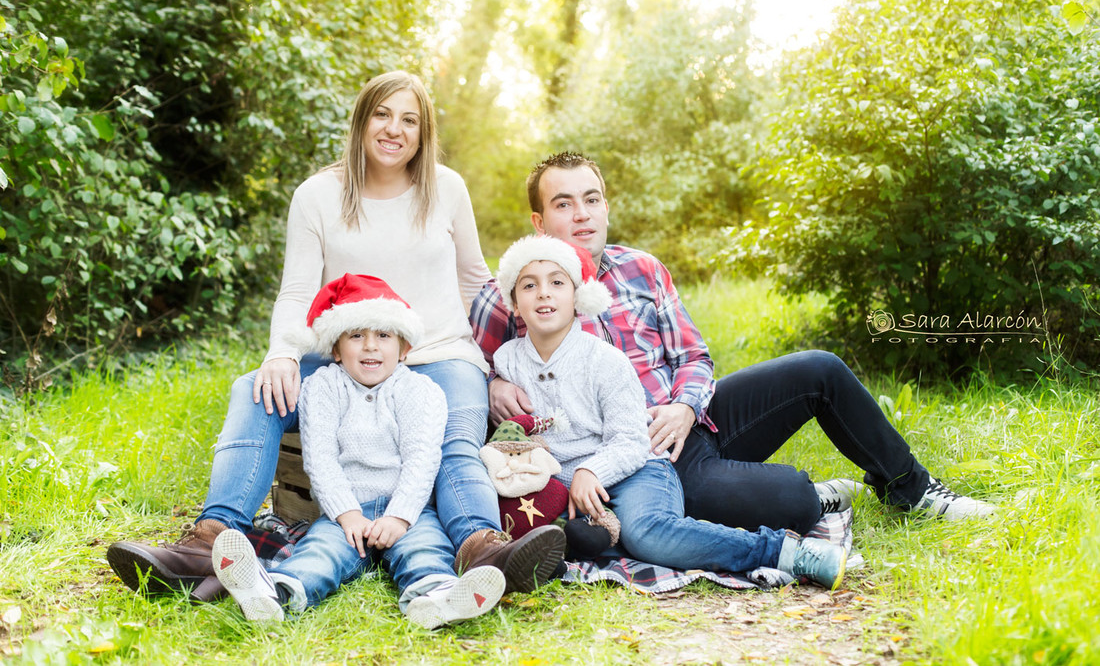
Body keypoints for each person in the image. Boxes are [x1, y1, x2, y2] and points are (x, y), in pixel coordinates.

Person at [107, 72, 564, 603]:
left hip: (439, 353)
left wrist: (495, 365)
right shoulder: (318, 195)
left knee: (455, 437)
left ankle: (482, 548)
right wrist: (281, 353)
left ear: (424, 132)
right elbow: (297, 290)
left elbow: (474, 281)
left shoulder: (447, 189)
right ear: (362, 120)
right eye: (383, 114)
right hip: (345, 358)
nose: (395, 129)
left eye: (409, 120)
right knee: (252, 389)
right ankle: (208, 541)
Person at [470, 151, 996, 535]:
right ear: (539, 222)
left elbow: (694, 356)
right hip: (645, 457)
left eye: (592, 199)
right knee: (792, 500)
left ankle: (914, 490)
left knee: (820, 369)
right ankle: (820, 495)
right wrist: (493, 382)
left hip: (697, 417)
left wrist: (684, 404)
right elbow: (473, 366)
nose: (582, 214)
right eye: (564, 204)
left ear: (606, 207)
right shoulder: (510, 295)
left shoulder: (642, 270)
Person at [489, 234, 847, 587]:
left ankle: (783, 551)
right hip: (564, 490)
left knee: (647, 534)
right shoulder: (508, 361)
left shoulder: (604, 360)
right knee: (529, 522)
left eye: (556, 282)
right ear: (515, 304)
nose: (544, 293)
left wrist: (590, 470)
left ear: (578, 298)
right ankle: (570, 545)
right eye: (529, 286)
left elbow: (631, 441)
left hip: (635, 468)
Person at [211, 273, 504, 627]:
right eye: (356, 335)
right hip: (344, 513)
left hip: (408, 511)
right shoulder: (322, 387)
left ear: (404, 347)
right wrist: (346, 513)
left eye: (383, 335)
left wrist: (400, 516)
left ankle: (437, 598)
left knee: (424, 549)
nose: (370, 346)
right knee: (321, 553)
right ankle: (274, 594)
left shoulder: (421, 391)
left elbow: (422, 460)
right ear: (336, 348)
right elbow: (320, 459)